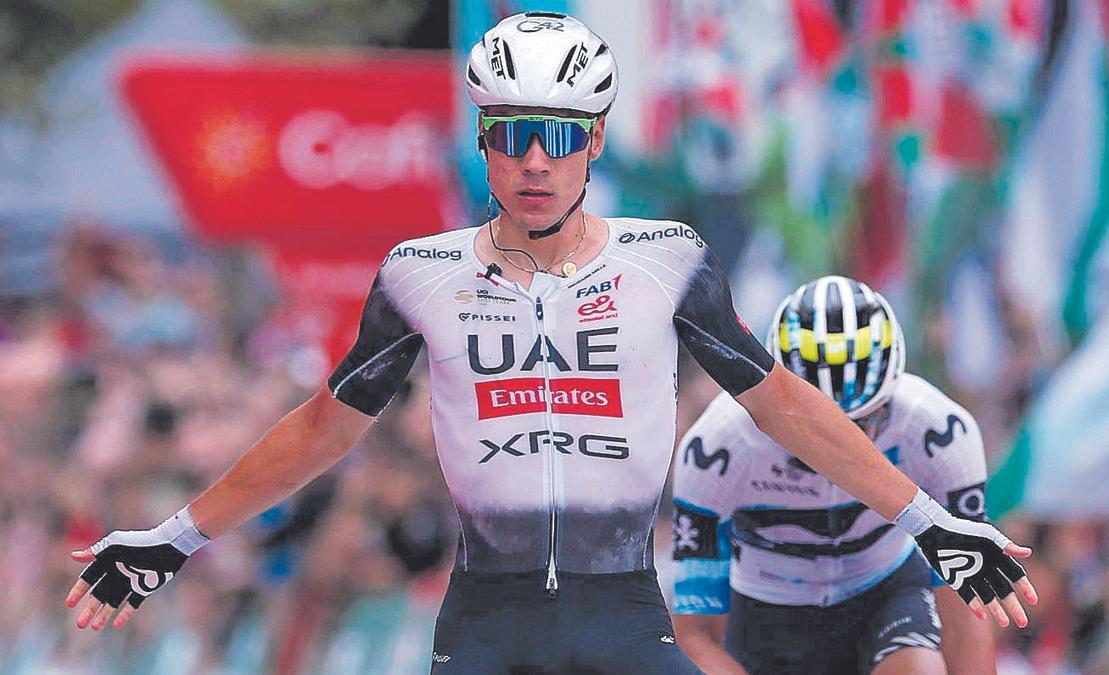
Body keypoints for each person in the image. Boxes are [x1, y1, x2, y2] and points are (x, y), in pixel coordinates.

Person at [64, 12, 1036, 674]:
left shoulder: (670, 260)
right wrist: (172, 536)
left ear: (598, 141)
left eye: (561, 135)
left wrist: (927, 521)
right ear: (483, 140)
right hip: (487, 611)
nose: (536, 159)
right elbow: (323, 428)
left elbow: (784, 402)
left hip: (623, 608)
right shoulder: (417, 270)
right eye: (513, 132)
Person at [671, 276, 1008, 675]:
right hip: (764, 612)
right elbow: (694, 636)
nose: (839, 448)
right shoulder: (717, 448)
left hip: (884, 596)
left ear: (893, 389)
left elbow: (965, 610)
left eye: (864, 421)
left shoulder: (939, 431)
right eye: (811, 430)